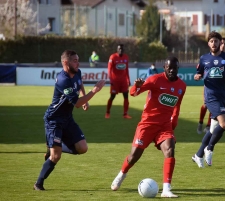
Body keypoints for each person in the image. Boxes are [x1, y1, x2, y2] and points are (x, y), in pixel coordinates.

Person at [110, 56, 186, 198]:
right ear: (164, 67)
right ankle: (121, 175)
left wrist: (173, 123)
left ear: (177, 69)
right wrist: (137, 86)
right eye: (169, 68)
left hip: (164, 126)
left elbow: (177, 106)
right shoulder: (155, 79)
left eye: (174, 68)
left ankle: (166, 189)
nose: (171, 70)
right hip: (147, 124)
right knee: (134, 156)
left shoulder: (182, 86)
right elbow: (133, 93)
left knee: (170, 149)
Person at [33, 50, 106, 190]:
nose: (78, 63)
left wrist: (85, 97)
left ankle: (53, 146)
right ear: (66, 63)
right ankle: (38, 183)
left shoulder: (77, 72)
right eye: (75, 60)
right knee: (55, 157)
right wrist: (94, 91)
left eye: (78, 60)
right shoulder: (63, 80)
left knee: (83, 148)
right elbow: (77, 104)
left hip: (67, 119)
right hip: (53, 120)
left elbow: (80, 83)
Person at [192, 32, 225, 168]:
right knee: (224, 124)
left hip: (224, 95)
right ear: (208, 43)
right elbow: (199, 73)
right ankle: (209, 148)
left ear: (220, 43)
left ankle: (198, 154)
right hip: (211, 96)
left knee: (213, 128)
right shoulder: (204, 58)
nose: (214, 43)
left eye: (216, 41)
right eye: (211, 41)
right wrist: (197, 76)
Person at [196, 37, 225, 135]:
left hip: (222, 89)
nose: (223, 45)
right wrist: (199, 75)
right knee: (206, 105)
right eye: (221, 43)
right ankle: (201, 122)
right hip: (209, 87)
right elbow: (201, 69)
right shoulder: (210, 57)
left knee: (216, 108)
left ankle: (208, 125)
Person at [105, 44, 131, 119]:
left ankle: (125, 114)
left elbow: (126, 69)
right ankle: (107, 112)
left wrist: (128, 80)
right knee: (112, 96)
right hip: (115, 81)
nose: (120, 50)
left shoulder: (126, 57)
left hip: (123, 81)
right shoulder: (112, 57)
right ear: (117, 49)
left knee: (126, 96)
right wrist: (111, 79)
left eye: (122, 49)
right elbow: (109, 69)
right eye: (119, 49)